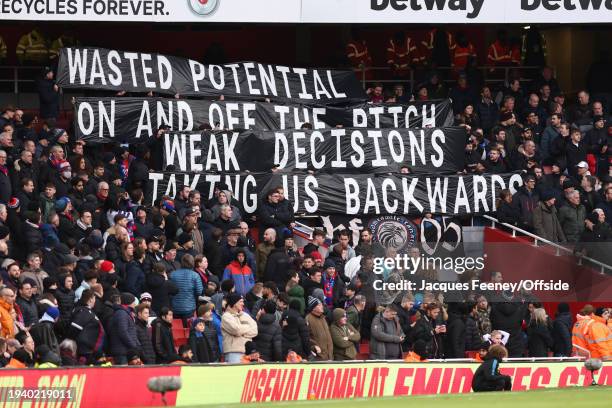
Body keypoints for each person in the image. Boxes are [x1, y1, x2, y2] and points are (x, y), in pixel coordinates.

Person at [68, 290, 105, 364]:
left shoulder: (87, 311)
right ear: (91, 299)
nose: (95, 301)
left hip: (89, 350)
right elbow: (75, 327)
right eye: (94, 298)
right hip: (85, 351)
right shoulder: (84, 312)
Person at [221, 293, 258, 363]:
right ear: (234, 303)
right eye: (241, 301)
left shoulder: (245, 315)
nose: (243, 304)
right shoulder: (226, 316)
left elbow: (255, 331)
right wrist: (247, 327)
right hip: (233, 352)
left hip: (248, 352)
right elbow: (236, 330)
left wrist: (241, 332)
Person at [170, 254, 203, 321]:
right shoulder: (195, 275)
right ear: (192, 263)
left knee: (177, 329)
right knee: (188, 329)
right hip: (189, 308)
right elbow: (199, 291)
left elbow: (170, 290)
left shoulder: (173, 274)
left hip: (175, 307)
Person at [305, 296, 333, 361]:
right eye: (319, 305)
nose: (322, 306)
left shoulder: (323, 318)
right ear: (313, 308)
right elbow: (306, 337)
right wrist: (313, 347)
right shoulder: (308, 319)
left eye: (321, 305)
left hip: (329, 356)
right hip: (318, 357)